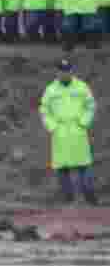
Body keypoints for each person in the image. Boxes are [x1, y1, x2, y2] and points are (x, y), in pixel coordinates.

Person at [40, 59, 97, 205]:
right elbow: (44, 110)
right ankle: (67, 201)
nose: (64, 73)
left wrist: (84, 122)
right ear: (57, 72)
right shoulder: (51, 90)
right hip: (61, 133)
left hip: (78, 131)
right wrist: (52, 127)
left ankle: (90, 199)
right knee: (62, 168)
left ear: (71, 71)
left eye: (67, 70)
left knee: (84, 165)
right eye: (61, 71)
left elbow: (90, 105)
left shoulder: (81, 87)